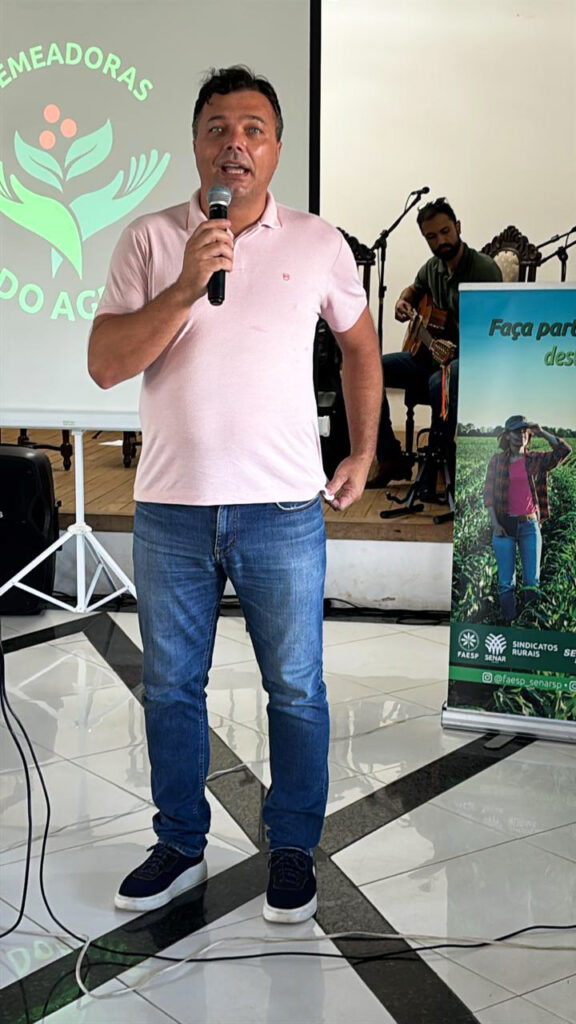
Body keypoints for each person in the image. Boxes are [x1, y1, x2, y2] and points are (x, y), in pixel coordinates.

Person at [88, 66, 382, 924]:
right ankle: (180, 842)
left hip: (282, 510)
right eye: (218, 127)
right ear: (195, 143)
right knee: (171, 688)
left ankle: (291, 848)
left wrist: (364, 451)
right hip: (171, 510)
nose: (235, 144)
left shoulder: (318, 243)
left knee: (295, 688)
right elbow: (106, 364)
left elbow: (361, 348)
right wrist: (185, 285)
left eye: (254, 129)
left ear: (277, 148)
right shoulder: (152, 239)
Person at [367, 197, 502, 490]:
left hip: (471, 362)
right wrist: (403, 302)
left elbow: (495, 332)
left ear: (458, 227)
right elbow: (413, 290)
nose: (440, 241)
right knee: (370, 371)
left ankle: (437, 461)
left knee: (439, 382)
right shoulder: (432, 268)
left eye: (445, 231)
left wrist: (461, 344)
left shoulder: (484, 270)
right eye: (431, 236)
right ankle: (390, 457)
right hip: (430, 358)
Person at [483, 415, 571, 623]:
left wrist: (542, 432)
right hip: (504, 526)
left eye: (524, 431)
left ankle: (530, 623)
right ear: (507, 435)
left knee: (532, 581)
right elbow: (488, 495)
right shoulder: (497, 461)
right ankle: (510, 622)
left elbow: (564, 451)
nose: (521, 435)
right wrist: (495, 524)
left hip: (530, 526)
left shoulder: (535, 459)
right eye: (516, 431)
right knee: (506, 582)